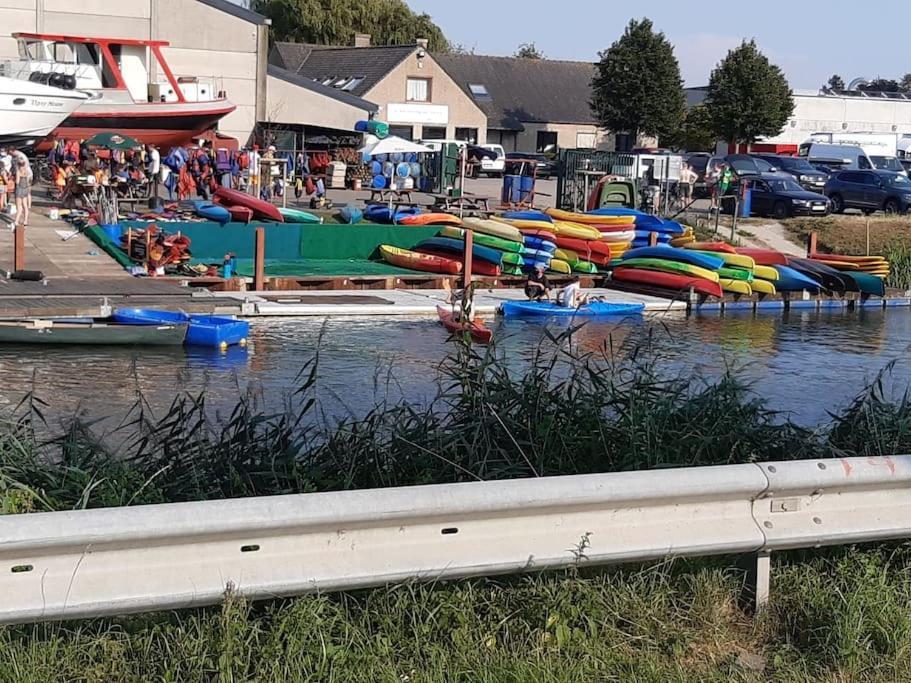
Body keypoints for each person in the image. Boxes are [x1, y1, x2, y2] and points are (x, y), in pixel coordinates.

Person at [13, 157, 30, 227]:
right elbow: (28, 181)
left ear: (18, 164)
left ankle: (16, 221)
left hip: (19, 189)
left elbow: (17, 182)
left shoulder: (18, 171)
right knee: (25, 206)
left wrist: (13, 179)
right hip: (25, 188)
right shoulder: (27, 171)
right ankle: (25, 221)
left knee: (19, 207)